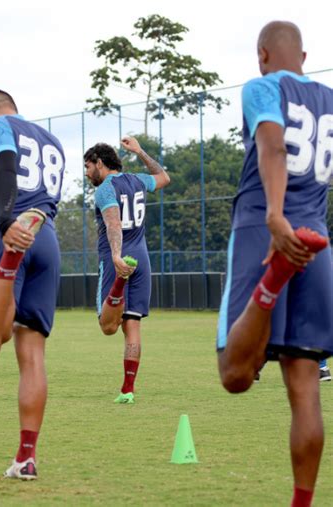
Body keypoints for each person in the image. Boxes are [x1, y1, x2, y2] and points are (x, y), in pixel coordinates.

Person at [216, 21, 333, 507]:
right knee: (305, 386)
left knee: (235, 376)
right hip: (318, 240)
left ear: (262, 54)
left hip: (265, 228)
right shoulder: (329, 98)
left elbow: (270, 142)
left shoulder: (263, 86)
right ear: (303, 55)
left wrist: (274, 214)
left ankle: (270, 285)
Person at [0, 89, 65, 480]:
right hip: (47, 239)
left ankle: (9, 264)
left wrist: (7, 221)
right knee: (32, 355)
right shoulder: (52, 140)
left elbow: (6, 164)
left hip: (10, 231)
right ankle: (26, 457)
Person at [84, 138, 170, 404]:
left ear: (100, 163)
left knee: (108, 327)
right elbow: (163, 177)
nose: (87, 173)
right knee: (132, 325)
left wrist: (116, 257)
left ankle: (119, 284)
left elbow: (113, 223)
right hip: (142, 258)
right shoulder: (137, 180)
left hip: (118, 258)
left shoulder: (105, 189)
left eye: (88, 166)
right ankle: (127, 390)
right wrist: (140, 151)